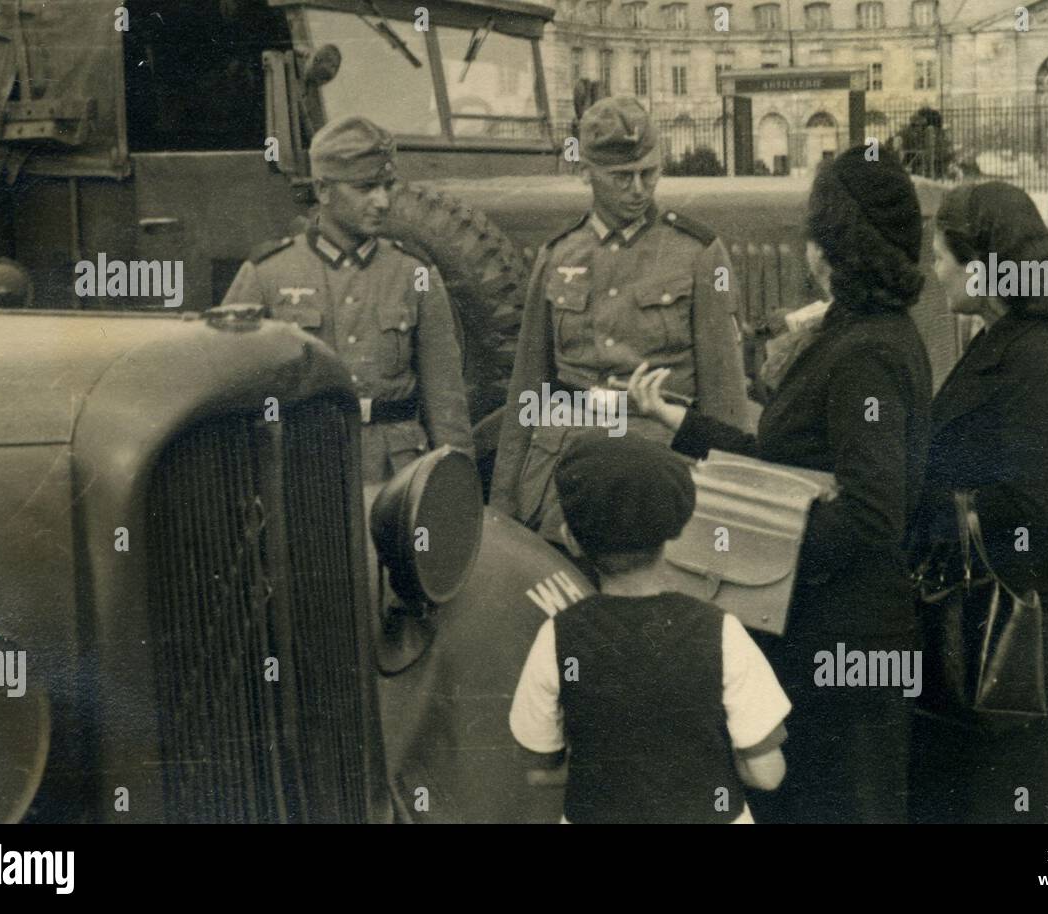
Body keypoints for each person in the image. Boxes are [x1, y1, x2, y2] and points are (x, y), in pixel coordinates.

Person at [628, 145, 933, 823]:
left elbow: (873, 515)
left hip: (840, 651)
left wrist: (743, 532)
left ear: (833, 251)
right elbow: (781, 462)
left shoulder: (868, 354)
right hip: (830, 639)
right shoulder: (860, 334)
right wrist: (681, 423)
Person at [908, 181, 1048, 824]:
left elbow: (1024, 506)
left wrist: (919, 506)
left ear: (981, 267)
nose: (935, 269)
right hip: (996, 618)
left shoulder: (1033, 357)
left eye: (942, 256)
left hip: (1021, 628)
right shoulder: (1002, 342)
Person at [490, 95, 749, 544]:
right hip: (563, 475)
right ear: (586, 172)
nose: (639, 189)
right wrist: (504, 501)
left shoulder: (699, 254)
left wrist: (735, 504)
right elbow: (528, 388)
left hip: (658, 473)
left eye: (649, 172)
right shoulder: (557, 255)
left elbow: (725, 395)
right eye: (621, 177)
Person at [508, 433, 791, 824]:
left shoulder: (556, 638)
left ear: (571, 540)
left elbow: (539, 769)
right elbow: (768, 772)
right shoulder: (721, 632)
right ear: (675, 533)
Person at [223, 115, 473, 482]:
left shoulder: (414, 273)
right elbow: (228, 389)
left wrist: (454, 485)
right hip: (302, 467)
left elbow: (446, 400)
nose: (383, 201)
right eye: (366, 187)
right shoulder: (267, 274)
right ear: (323, 190)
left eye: (388, 186)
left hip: (395, 472)